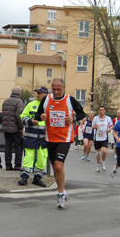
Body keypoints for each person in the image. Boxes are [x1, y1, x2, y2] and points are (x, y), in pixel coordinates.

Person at [35, 78, 85, 209]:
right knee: (56, 169)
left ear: (63, 88)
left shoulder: (70, 100)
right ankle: (62, 190)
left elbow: (82, 113)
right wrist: (41, 117)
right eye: (54, 89)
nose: (56, 92)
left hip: (65, 138)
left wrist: (73, 118)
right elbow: (37, 114)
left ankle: (60, 195)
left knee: (58, 166)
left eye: (58, 89)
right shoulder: (46, 99)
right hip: (50, 138)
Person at [18, 86, 48, 187]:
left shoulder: (49, 107)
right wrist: (30, 121)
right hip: (31, 136)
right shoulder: (31, 105)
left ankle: (37, 177)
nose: (38, 95)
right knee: (28, 157)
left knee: (41, 158)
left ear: (45, 95)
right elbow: (23, 116)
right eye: (37, 93)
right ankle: (24, 177)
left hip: (43, 138)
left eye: (40, 93)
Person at [2, 86, 24, 171]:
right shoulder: (19, 102)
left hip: (6, 128)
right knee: (18, 146)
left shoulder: (6, 101)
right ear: (19, 93)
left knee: (8, 146)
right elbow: (19, 116)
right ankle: (17, 165)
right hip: (15, 128)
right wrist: (21, 127)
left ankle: (8, 165)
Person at [92, 105, 114, 173]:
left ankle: (103, 162)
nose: (101, 111)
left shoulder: (108, 118)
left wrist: (109, 129)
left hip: (105, 137)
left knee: (104, 151)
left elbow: (112, 125)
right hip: (98, 137)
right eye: (100, 110)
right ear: (98, 111)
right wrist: (95, 127)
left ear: (104, 111)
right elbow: (92, 127)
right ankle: (98, 165)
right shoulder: (95, 118)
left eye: (102, 110)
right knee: (98, 153)